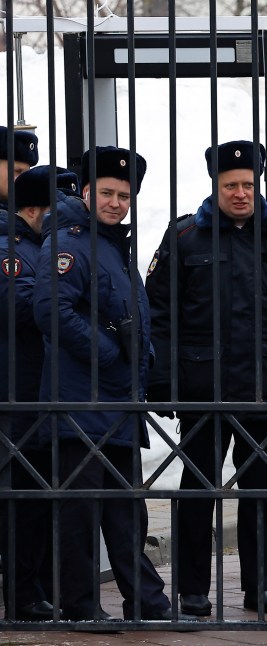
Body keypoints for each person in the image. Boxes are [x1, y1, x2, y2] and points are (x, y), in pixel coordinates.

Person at [145, 140, 267, 616]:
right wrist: (162, 382)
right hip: (202, 389)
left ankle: (259, 586)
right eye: (231, 185)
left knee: (261, 491)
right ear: (216, 186)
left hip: (263, 389)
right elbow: (160, 315)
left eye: (248, 185)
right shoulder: (186, 237)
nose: (240, 193)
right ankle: (192, 589)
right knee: (198, 489)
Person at [32, 146, 175, 621]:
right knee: (81, 515)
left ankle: (147, 603)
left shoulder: (112, 245)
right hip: (80, 401)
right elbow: (51, 310)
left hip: (117, 402)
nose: (117, 203)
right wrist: (111, 352)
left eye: (125, 196)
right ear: (88, 192)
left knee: (126, 512)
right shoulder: (71, 242)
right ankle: (80, 608)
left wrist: (143, 360)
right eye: (108, 193)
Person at [0, 164, 75, 621]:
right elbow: (19, 308)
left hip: (52, 390)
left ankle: (45, 586)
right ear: (32, 211)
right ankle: (24, 593)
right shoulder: (13, 250)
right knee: (22, 498)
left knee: (47, 494)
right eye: (57, 209)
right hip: (19, 392)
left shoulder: (52, 248)